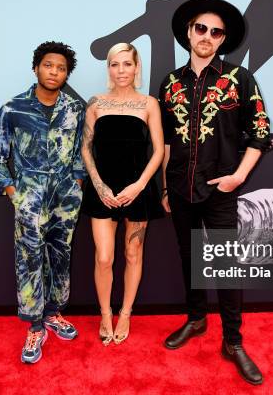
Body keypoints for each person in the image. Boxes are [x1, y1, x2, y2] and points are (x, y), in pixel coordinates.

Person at [159, 0, 273, 385]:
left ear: (224, 39)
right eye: (201, 29)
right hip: (178, 187)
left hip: (222, 188)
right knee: (189, 258)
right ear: (189, 33)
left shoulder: (240, 79)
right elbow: (166, 142)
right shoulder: (170, 83)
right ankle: (195, 319)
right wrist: (164, 186)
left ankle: (233, 341)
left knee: (226, 265)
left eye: (216, 31)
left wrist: (237, 177)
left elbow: (260, 134)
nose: (207, 36)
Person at [0, 41, 86, 364]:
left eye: (60, 68)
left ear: (66, 73)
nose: (54, 72)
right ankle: (34, 325)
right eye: (48, 65)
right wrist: (13, 193)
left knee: (61, 255)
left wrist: (77, 182)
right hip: (29, 196)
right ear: (36, 68)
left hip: (65, 197)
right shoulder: (12, 108)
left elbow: (81, 153)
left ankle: (54, 313)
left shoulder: (75, 109)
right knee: (28, 259)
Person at [81, 43, 164, 345]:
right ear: (108, 69)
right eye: (115, 65)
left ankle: (125, 312)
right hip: (101, 191)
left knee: (132, 253)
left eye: (127, 64)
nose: (121, 71)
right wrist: (100, 185)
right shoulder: (95, 103)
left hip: (137, 190)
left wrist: (139, 185)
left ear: (137, 67)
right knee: (104, 258)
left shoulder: (149, 103)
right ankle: (105, 313)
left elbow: (158, 151)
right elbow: (85, 149)